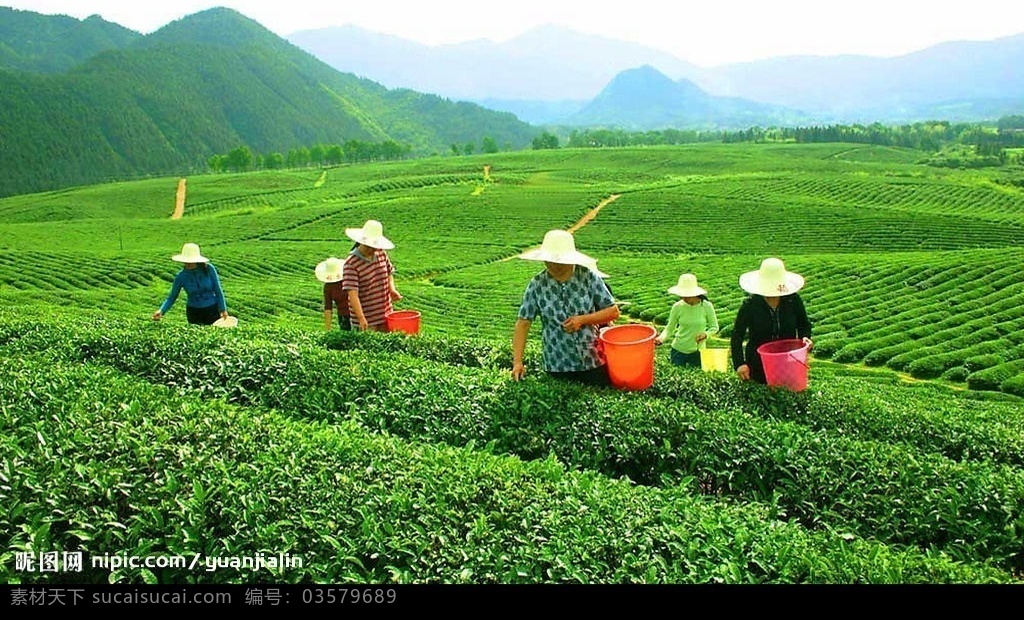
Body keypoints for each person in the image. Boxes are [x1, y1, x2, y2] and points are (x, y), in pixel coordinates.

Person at [512, 229, 620, 385]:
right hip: (556, 364)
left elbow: (613, 311)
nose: (553, 265)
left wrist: (582, 320)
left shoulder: (587, 276)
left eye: (558, 262)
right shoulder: (537, 284)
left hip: (591, 361)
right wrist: (517, 362)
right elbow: (523, 323)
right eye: (548, 261)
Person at [730, 257, 813, 384]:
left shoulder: (793, 300)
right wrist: (740, 363)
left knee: (787, 393)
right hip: (758, 363)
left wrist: (805, 337)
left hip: (788, 360)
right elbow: (737, 335)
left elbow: (804, 324)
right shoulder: (751, 304)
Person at [342, 219, 402, 331]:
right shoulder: (351, 264)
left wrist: (392, 289)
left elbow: (389, 272)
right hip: (367, 319)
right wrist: (361, 318)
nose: (373, 249)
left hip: (385, 314)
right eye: (369, 246)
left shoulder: (380, 252)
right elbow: (352, 294)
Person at [152, 242, 229, 325]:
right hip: (194, 312)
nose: (188, 263)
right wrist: (161, 311)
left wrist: (223, 309)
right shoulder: (181, 276)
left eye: (191, 261)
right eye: (186, 261)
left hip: (212, 310)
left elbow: (218, 289)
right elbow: (172, 297)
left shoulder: (209, 269)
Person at [657, 273, 720, 368]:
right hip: (678, 350)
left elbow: (714, 327)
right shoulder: (677, 307)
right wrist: (661, 339)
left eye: (687, 295)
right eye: (682, 295)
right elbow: (669, 328)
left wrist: (705, 334)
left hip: (697, 352)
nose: (684, 298)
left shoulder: (706, 306)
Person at [316, 256, 349, 331]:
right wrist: (328, 328)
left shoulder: (347, 279)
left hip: (355, 313)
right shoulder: (328, 286)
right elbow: (328, 307)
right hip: (343, 316)